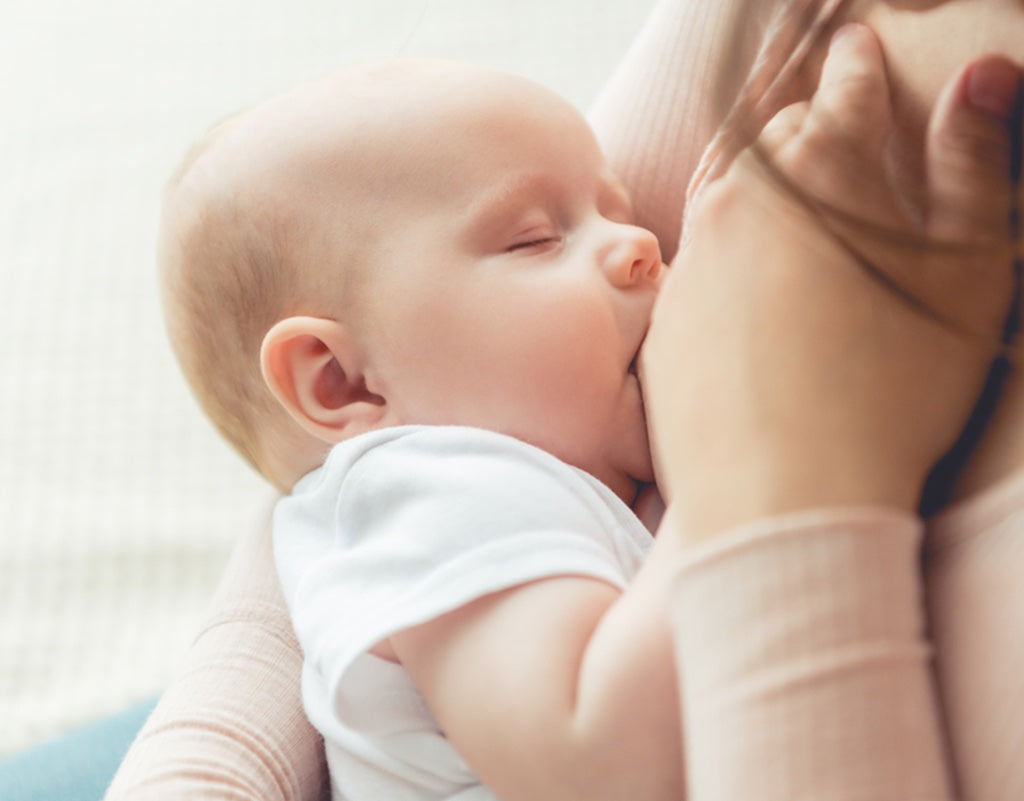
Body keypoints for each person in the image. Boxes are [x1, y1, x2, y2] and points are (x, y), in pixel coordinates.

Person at [103, 3, 1024, 801]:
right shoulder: (433, 496)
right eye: (536, 239)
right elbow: (609, 759)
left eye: (617, 209)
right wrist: (746, 451)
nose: (641, 248)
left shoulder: (514, 455)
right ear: (343, 383)